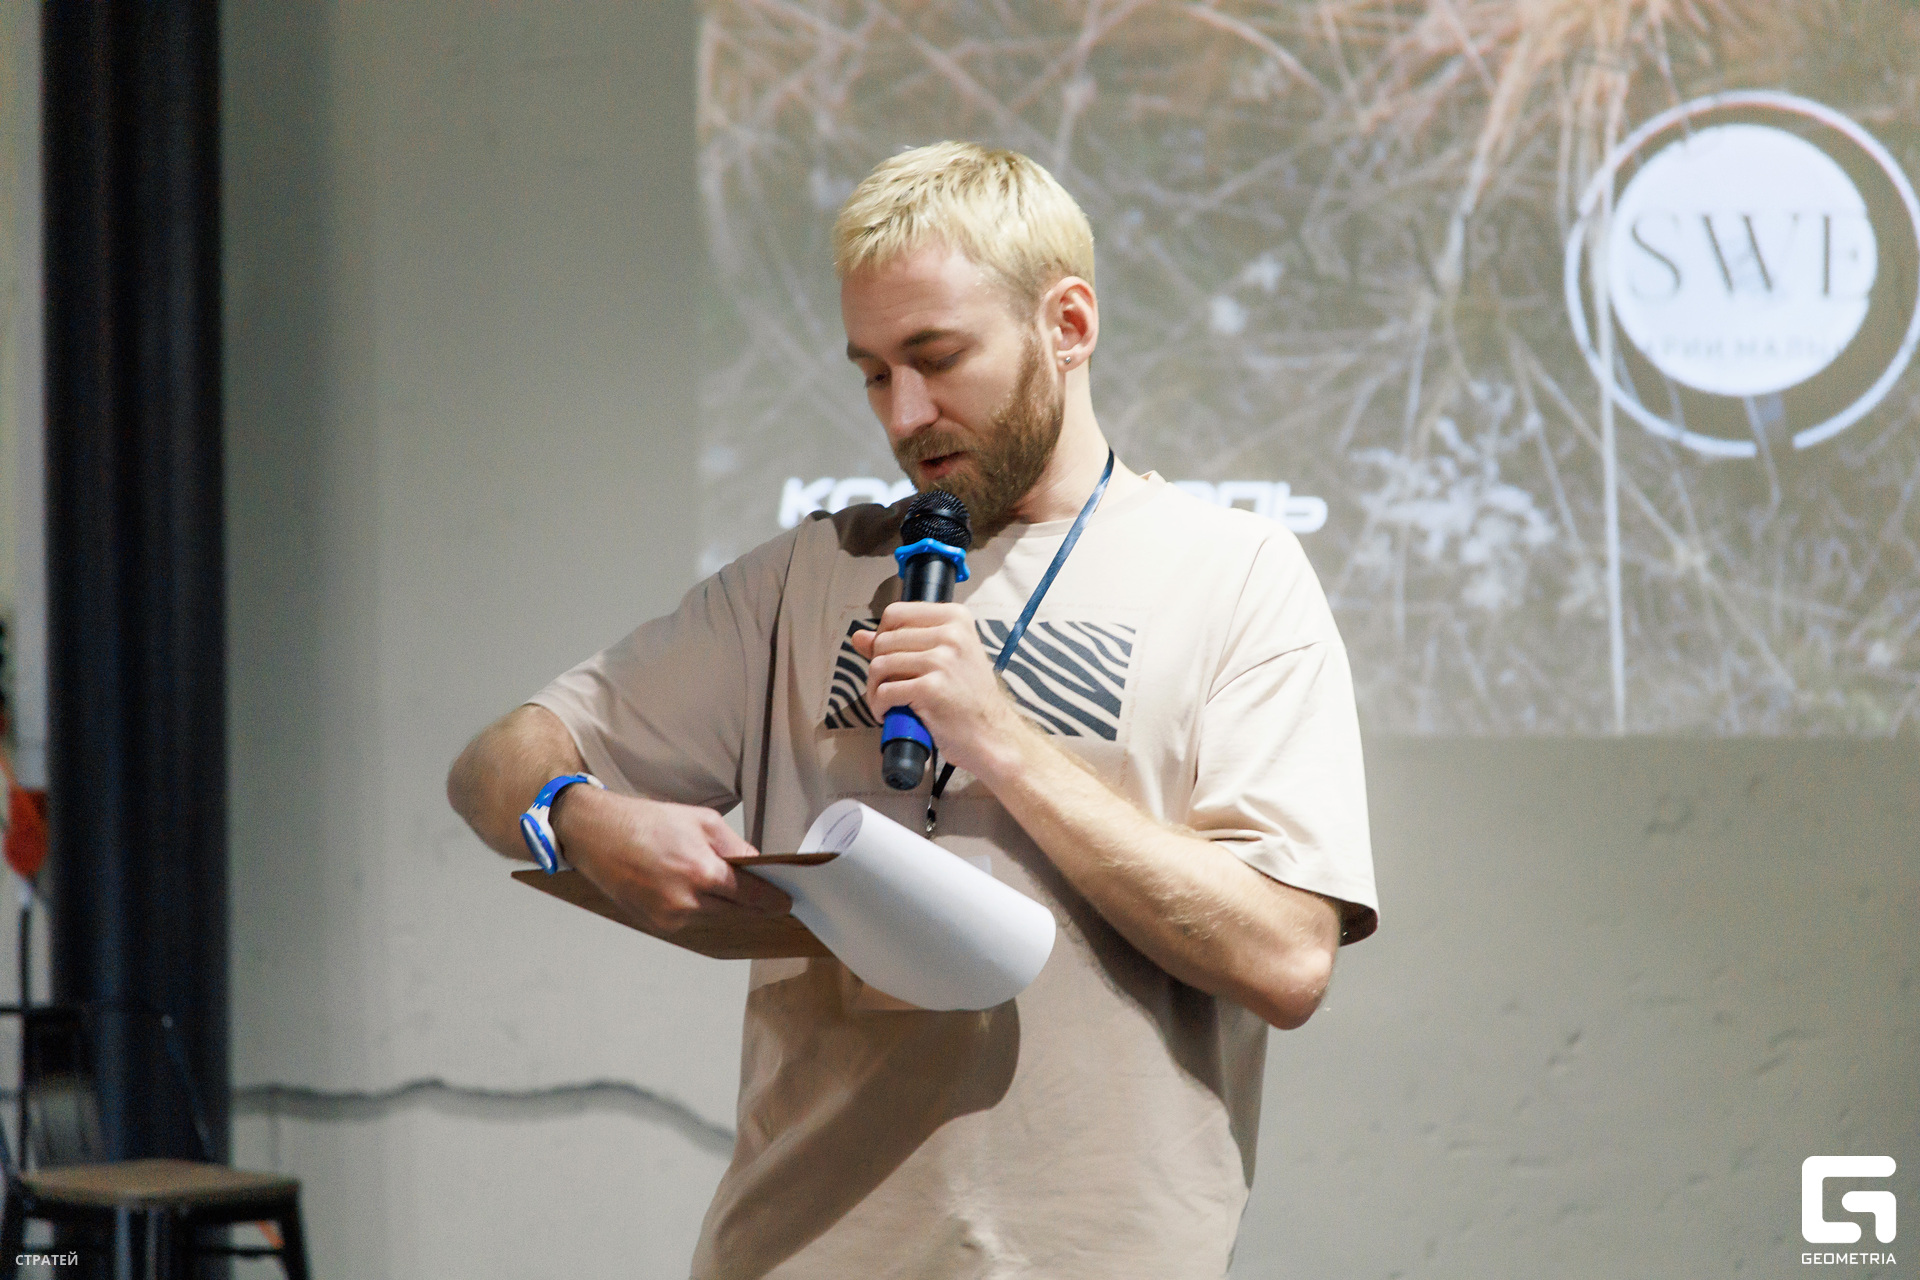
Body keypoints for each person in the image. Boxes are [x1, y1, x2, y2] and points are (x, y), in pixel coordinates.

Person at [447, 140, 1378, 1279]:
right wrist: (577, 813)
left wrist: (1001, 740)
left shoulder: (1234, 575)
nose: (906, 413)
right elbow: (493, 763)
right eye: (874, 373)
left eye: (938, 358)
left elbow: (1287, 959)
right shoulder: (811, 574)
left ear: (1068, 324)